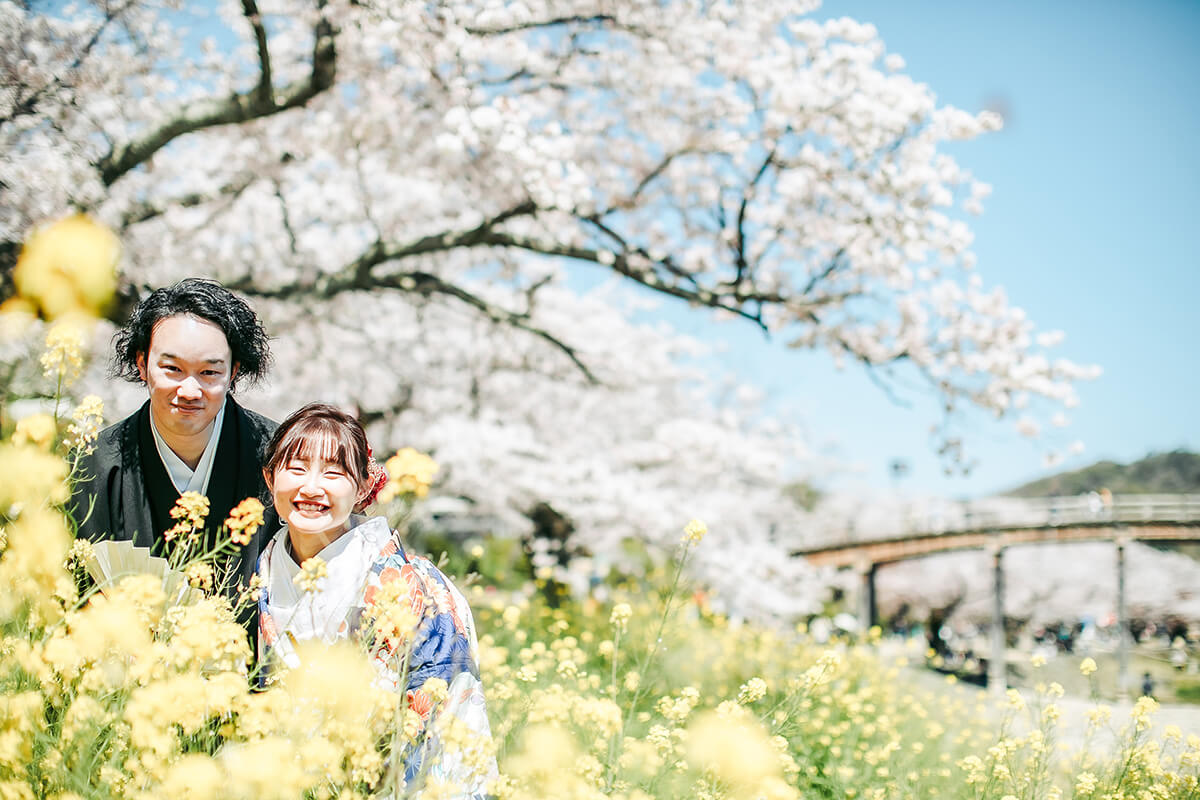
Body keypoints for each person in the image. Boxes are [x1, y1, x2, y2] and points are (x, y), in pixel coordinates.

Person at [255, 403, 495, 797]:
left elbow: (446, 723)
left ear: (365, 487)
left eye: (333, 473)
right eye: (296, 469)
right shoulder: (261, 571)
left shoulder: (418, 589)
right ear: (270, 477)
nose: (311, 487)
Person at [71, 278, 277, 595]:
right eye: (172, 368)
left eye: (209, 372)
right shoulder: (91, 467)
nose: (190, 391)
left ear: (233, 372)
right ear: (142, 364)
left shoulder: (279, 457)